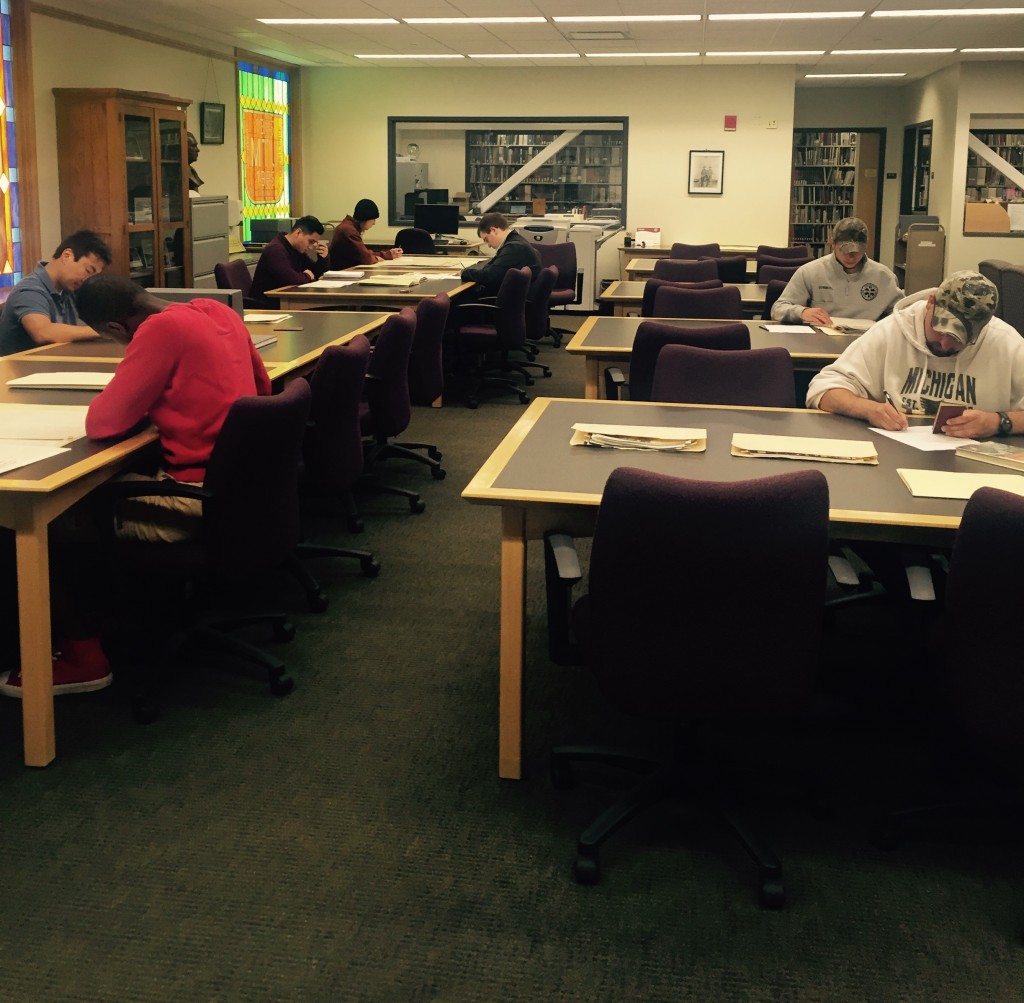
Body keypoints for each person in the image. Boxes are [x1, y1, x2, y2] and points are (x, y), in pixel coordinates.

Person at [77, 274, 272, 542]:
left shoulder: (160, 329)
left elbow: (102, 424)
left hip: (196, 500)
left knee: (70, 508)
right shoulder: (219, 310)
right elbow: (263, 388)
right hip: (249, 485)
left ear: (116, 327)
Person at [807, 270, 1024, 438]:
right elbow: (822, 390)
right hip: (893, 457)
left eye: (960, 339)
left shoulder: (1006, 343)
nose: (945, 343)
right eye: (941, 328)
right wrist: (869, 409)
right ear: (931, 303)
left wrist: (999, 422)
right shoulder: (893, 330)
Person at [770, 217, 903, 327]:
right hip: (820, 340)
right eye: (845, 250)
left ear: (866, 245)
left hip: (867, 343)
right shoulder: (810, 272)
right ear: (832, 243)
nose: (851, 257)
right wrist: (802, 312)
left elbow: (900, 314)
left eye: (857, 251)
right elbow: (778, 309)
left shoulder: (885, 277)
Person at [0, 230, 112, 356]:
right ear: (67, 256)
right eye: (88, 270)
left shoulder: (68, 289)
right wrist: (103, 331)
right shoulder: (29, 289)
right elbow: (43, 332)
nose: (87, 280)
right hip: (20, 371)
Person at [249, 215, 330, 307]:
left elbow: (314, 273)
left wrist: (323, 258)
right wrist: (307, 275)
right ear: (298, 232)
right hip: (267, 305)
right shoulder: (276, 249)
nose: (311, 247)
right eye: (310, 241)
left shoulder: (295, 248)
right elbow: (291, 279)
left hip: (284, 301)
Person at [459, 213, 540, 296]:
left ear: (493, 230)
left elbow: (490, 276)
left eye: (486, 239)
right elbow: (490, 269)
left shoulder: (513, 247)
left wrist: (464, 273)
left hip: (504, 301)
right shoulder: (515, 242)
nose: (489, 245)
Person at [328, 199, 404, 268]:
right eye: (373, 219)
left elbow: (363, 253)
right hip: (342, 274)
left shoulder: (349, 227)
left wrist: (388, 254)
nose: (374, 223)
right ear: (366, 217)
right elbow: (366, 258)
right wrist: (377, 257)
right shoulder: (349, 231)